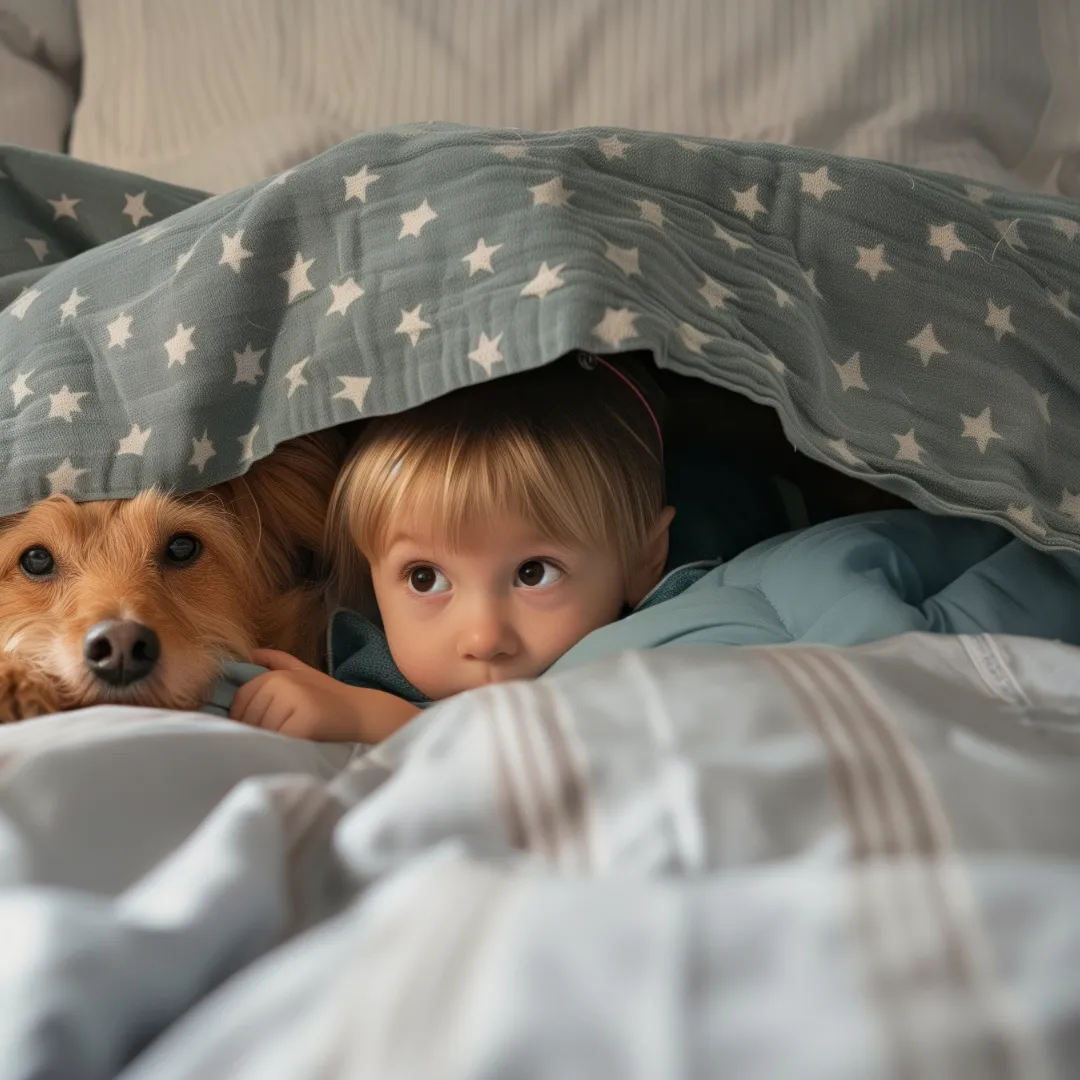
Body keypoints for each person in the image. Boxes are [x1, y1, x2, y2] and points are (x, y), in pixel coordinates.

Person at [228, 353, 676, 742]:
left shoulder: (673, 649)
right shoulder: (352, 668)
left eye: (534, 573)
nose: (483, 638)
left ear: (644, 560)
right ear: (373, 581)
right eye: (425, 578)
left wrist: (376, 720)